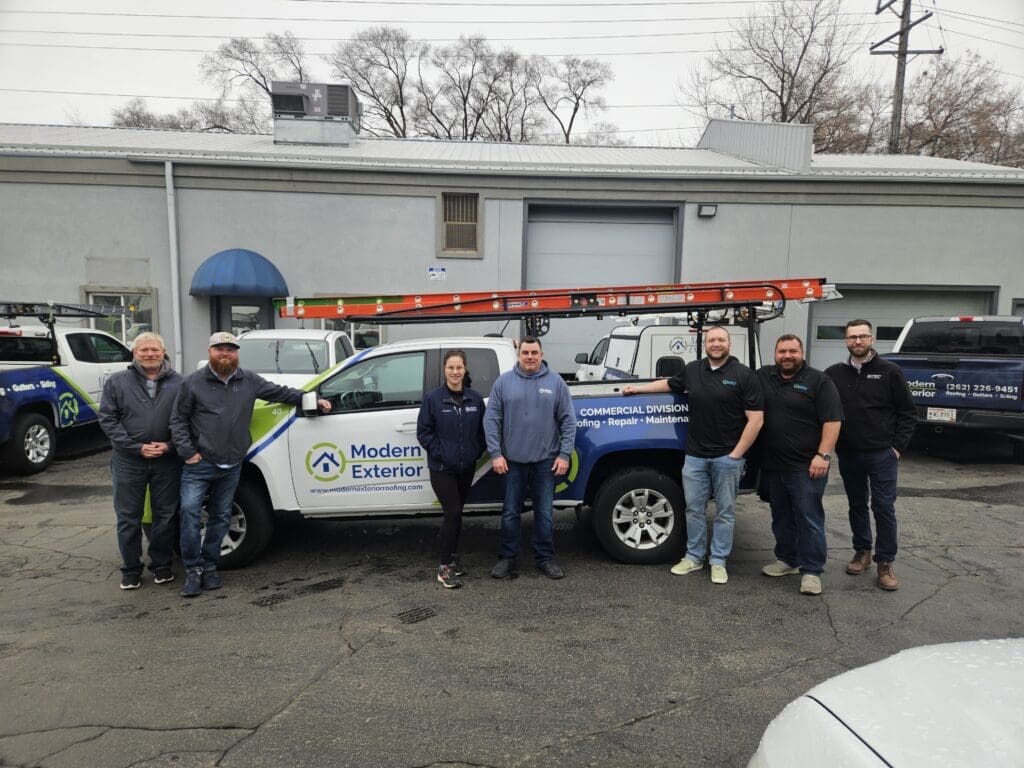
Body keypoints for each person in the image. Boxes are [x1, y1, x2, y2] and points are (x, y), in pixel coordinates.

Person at [170, 331, 331, 598]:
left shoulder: (249, 380)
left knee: (221, 517)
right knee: (189, 514)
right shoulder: (192, 383)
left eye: (231, 349)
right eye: (220, 349)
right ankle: (193, 570)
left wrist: (310, 398)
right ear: (209, 351)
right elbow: (178, 420)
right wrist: (189, 453)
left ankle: (210, 567)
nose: (225, 353)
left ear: (237, 353)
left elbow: (280, 392)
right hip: (199, 464)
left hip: (232, 463)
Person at [624, 326, 763, 585]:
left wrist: (737, 454)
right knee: (694, 510)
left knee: (725, 512)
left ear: (729, 344)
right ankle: (694, 557)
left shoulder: (744, 376)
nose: (716, 344)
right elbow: (668, 383)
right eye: (712, 340)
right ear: (705, 344)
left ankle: (718, 561)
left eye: (721, 339)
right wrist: (639, 389)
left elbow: (755, 419)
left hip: (727, 458)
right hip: (695, 457)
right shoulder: (693, 369)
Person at [825, 320, 916, 591]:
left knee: (884, 506)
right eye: (852, 337)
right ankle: (862, 551)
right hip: (849, 453)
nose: (857, 341)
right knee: (856, 504)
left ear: (871, 339)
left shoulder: (890, 372)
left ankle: (885, 561)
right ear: (846, 341)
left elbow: (908, 412)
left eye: (862, 336)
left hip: (882, 453)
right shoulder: (834, 374)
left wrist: (897, 447)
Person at [756, 334, 843, 596]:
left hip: (807, 466)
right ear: (775, 353)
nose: (787, 356)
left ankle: (812, 571)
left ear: (801, 353)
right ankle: (788, 560)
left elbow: (833, 421)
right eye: (782, 351)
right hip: (773, 465)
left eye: (792, 351)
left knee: (809, 519)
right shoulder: (764, 376)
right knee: (781, 517)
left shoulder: (819, 381)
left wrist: (823, 455)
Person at [484, 337, 576, 580]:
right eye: (525, 352)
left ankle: (545, 559)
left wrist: (564, 454)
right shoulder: (503, 383)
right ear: (519, 354)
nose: (530, 357)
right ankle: (508, 558)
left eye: (534, 352)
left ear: (541, 354)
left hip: (546, 461)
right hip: (511, 461)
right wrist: (496, 454)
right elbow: (491, 420)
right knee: (511, 512)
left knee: (544, 512)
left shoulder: (556, 383)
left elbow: (568, 420)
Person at [97, 332, 183, 590]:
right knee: (128, 517)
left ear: (163, 351)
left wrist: (169, 445)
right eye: (143, 350)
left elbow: (188, 419)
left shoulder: (179, 382)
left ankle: (162, 566)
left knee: (165, 515)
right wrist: (136, 447)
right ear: (134, 353)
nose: (149, 354)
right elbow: (108, 419)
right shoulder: (117, 382)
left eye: (154, 350)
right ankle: (131, 569)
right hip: (128, 460)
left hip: (167, 459)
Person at [417, 350, 487, 589]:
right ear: (445, 370)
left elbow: (482, 433)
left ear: (465, 370)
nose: (455, 372)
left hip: (466, 467)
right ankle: (444, 566)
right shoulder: (433, 399)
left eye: (459, 368)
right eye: (451, 368)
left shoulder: (475, 400)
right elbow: (424, 433)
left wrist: (474, 453)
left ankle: (453, 559)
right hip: (442, 468)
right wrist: (441, 453)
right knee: (453, 512)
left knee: (457, 514)